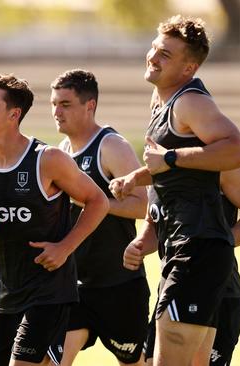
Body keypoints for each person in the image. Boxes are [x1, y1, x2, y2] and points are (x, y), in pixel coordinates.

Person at [0, 74, 109, 366]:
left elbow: (98, 201)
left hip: (49, 294)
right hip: (6, 295)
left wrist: (65, 247)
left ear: (14, 114)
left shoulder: (48, 159)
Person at [109, 15, 240, 366]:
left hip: (196, 252)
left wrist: (170, 158)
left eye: (165, 55)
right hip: (184, 252)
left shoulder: (191, 102)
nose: (153, 57)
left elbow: (238, 150)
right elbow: (168, 170)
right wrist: (137, 179)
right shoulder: (162, 104)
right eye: (154, 48)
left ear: (188, 68)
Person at [51, 69, 149, 366]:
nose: (56, 111)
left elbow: (143, 206)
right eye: (54, 104)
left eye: (65, 104)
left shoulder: (110, 145)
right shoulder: (61, 152)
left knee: (131, 361)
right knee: (53, 359)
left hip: (118, 284)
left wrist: (92, 202)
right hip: (75, 285)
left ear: (89, 105)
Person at [125, 167, 240, 366]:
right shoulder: (157, 166)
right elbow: (153, 221)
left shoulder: (217, 160)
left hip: (215, 289)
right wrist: (139, 245)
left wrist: (220, 242)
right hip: (171, 286)